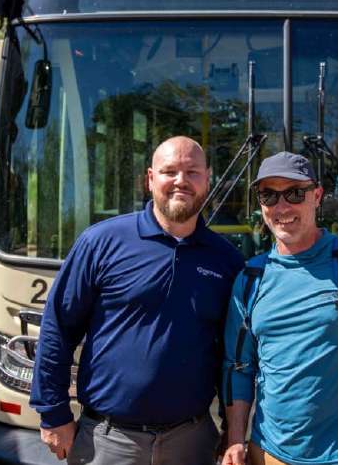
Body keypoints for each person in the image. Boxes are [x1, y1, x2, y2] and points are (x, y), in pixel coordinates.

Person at [30, 136, 244, 464]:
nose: (181, 181)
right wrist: (53, 412)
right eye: (169, 171)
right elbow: (58, 327)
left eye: (192, 172)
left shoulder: (226, 260)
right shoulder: (100, 243)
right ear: (150, 178)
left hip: (193, 441)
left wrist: (232, 432)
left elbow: (233, 355)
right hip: (107, 441)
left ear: (207, 179)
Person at [222, 152, 338, 465]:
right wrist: (235, 440)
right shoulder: (250, 278)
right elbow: (238, 366)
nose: (282, 207)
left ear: (317, 196)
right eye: (269, 195)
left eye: (295, 193)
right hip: (269, 454)